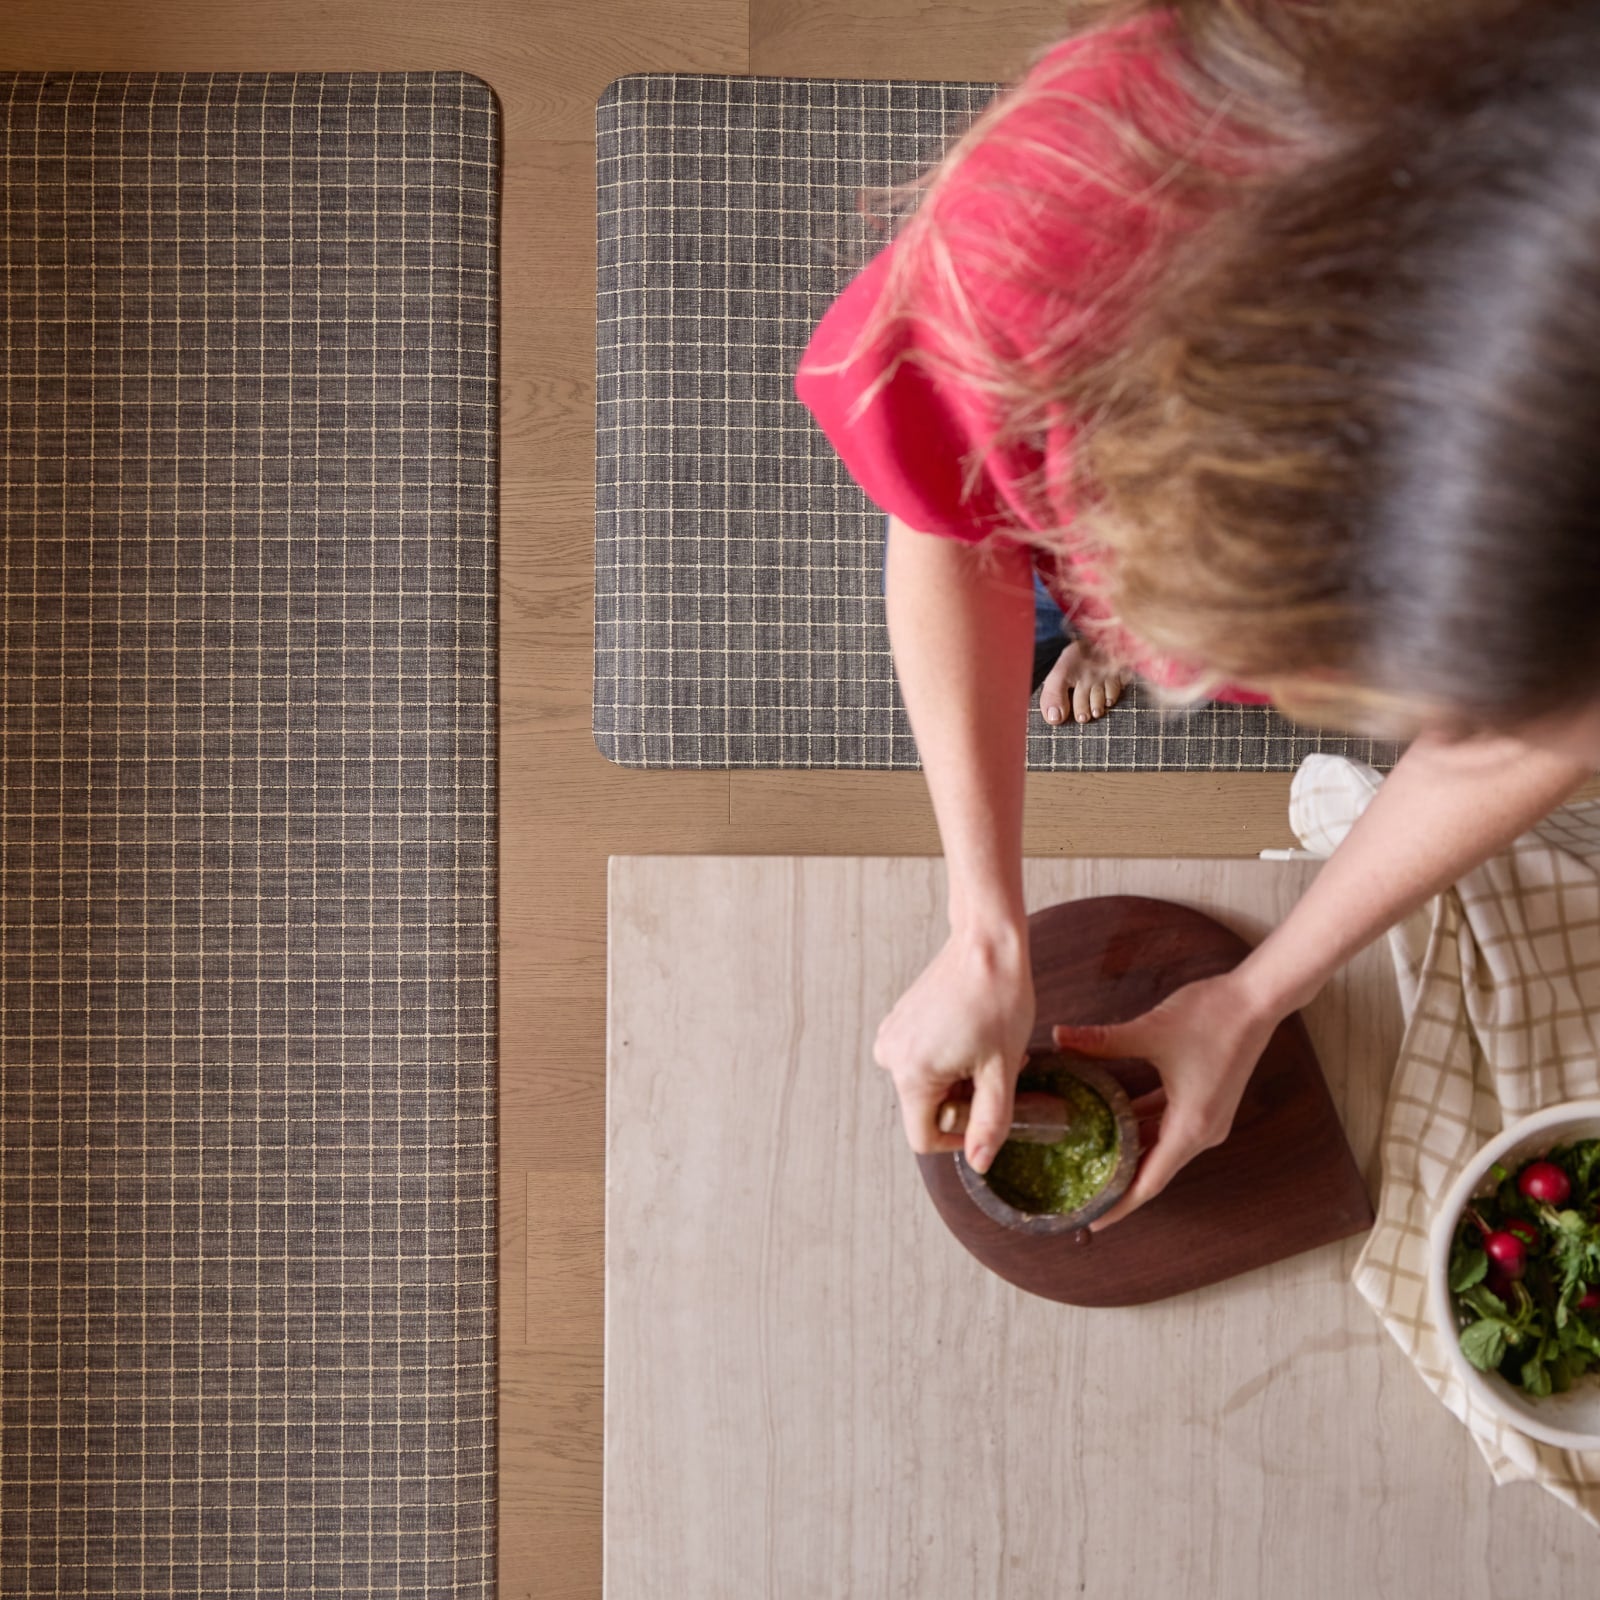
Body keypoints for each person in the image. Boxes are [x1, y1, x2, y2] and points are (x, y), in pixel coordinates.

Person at [793, 0, 1600, 1229]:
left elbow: (1544, 735)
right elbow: (953, 512)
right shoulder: (1068, 210)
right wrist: (983, 928)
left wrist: (1251, 995)